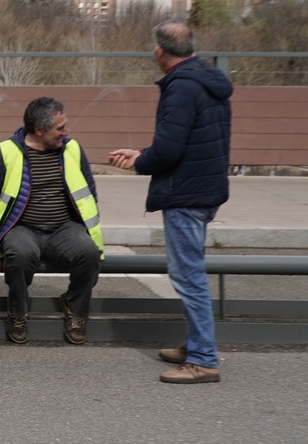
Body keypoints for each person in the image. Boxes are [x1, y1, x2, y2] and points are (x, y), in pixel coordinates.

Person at [111, 21, 232, 384]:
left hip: (186, 194)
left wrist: (140, 161)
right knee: (190, 272)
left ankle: (203, 359)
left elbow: (170, 148)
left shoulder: (180, 87)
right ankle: (196, 344)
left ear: (159, 51)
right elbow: (190, 141)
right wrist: (146, 152)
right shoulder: (208, 80)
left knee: (188, 275)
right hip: (206, 188)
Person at [0, 97, 103, 345]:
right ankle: (18, 311)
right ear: (39, 130)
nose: (66, 132)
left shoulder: (72, 149)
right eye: (60, 128)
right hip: (21, 228)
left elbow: (89, 193)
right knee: (20, 254)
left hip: (64, 228)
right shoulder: (3, 153)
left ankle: (75, 308)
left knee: (88, 253)